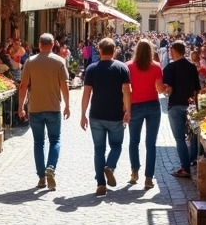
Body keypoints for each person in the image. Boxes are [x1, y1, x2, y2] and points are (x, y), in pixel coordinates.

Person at [18, 33, 71, 191]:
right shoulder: (59, 61)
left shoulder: (30, 62)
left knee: (38, 143)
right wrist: (67, 105)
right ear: (53, 44)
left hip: (35, 108)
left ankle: (41, 177)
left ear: (39, 45)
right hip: (53, 107)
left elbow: (23, 86)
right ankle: (51, 168)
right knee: (55, 140)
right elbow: (64, 86)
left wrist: (21, 106)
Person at [79, 38, 131, 197]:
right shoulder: (121, 68)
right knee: (116, 146)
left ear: (99, 50)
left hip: (96, 115)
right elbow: (127, 91)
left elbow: (86, 93)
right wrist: (128, 110)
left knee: (98, 150)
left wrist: (82, 114)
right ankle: (110, 166)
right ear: (114, 50)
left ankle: (100, 184)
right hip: (116, 115)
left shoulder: (92, 69)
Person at [160, 41, 202, 179]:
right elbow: (197, 89)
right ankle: (192, 160)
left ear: (174, 50)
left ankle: (185, 168)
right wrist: (196, 105)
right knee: (193, 136)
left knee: (180, 139)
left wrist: (165, 93)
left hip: (175, 106)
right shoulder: (191, 67)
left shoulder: (170, 68)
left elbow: (169, 89)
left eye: (171, 50)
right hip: (190, 106)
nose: (170, 52)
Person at [127, 39, 164, 190]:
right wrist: (165, 87)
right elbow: (160, 89)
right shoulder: (156, 67)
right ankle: (149, 178)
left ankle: (134, 171)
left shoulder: (128, 66)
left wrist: (125, 108)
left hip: (135, 106)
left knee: (133, 141)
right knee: (151, 144)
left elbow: (125, 90)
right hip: (153, 106)